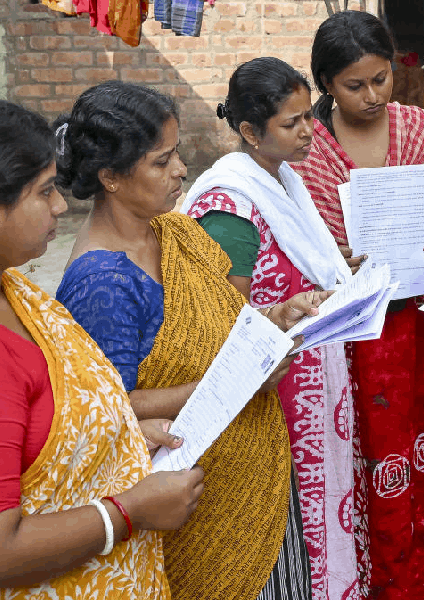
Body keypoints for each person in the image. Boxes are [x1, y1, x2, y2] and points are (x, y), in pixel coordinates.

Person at [0, 95, 203, 598]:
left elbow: (29, 424)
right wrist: (130, 511)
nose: (62, 206)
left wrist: (116, 434)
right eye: (45, 193)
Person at [54, 81, 329, 600]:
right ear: (110, 177)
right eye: (161, 162)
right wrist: (234, 382)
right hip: (194, 505)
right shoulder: (103, 283)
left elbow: (221, 326)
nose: (181, 170)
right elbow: (109, 408)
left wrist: (276, 315)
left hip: (253, 478)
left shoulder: (171, 233)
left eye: (176, 154)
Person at [292, 10, 424, 600]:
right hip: (352, 339)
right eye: (355, 85)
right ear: (325, 83)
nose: (373, 95)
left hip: (421, 328)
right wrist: (336, 262)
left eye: (381, 79)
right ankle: (373, 582)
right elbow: (303, 248)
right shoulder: (308, 150)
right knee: (367, 455)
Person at [179, 57, 357, 600]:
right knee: (285, 527)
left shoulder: (281, 183)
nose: (309, 132)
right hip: (272, 397)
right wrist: (286, 310)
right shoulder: (230, 207)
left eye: (309, 117)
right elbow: (225, 323)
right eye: (291, 122)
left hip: (308, 383)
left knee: (320, 511)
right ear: (251, 131)